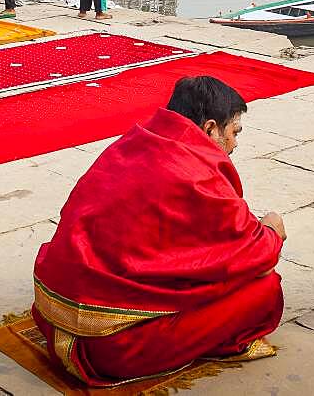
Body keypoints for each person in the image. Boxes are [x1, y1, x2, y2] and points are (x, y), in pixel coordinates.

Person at [31, 76, 286, 386]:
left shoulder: (135, 142)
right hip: (111, 347)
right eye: (233, 133)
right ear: (209, 129)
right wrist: (272, 232)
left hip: (49, 316)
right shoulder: (194, 172)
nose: (234, 145)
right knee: (265, 288)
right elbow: (253, 253)